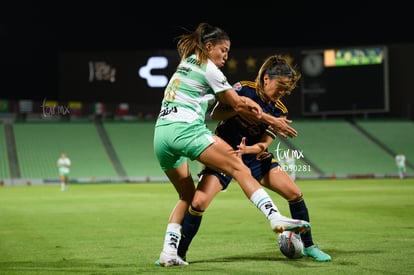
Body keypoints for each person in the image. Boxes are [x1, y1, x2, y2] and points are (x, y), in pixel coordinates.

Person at [153, 23, 310, 267]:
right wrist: (271, 120)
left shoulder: (186, 62)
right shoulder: (210, 69)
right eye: (223, 50)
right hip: (185, 130)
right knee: (237, 166)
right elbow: (237, 104)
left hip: (161, 135)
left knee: (187, 196)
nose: (226, 56)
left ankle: (168, 253)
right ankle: (274, 217)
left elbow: (220, 105)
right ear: (208, 47)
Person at [177, 55, 332, 262]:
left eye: (286, 90)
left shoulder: (279, 110)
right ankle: (178, 253)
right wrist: (240, 108)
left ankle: (309, 246)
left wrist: (248, 149)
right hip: (224, 153)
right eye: (280, 86)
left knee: (295, 193)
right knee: (198, 202)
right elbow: (215, 114)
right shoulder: (243, 89)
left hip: (253, 156)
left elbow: (263, 144)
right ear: (266, 78)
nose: (282, 93)